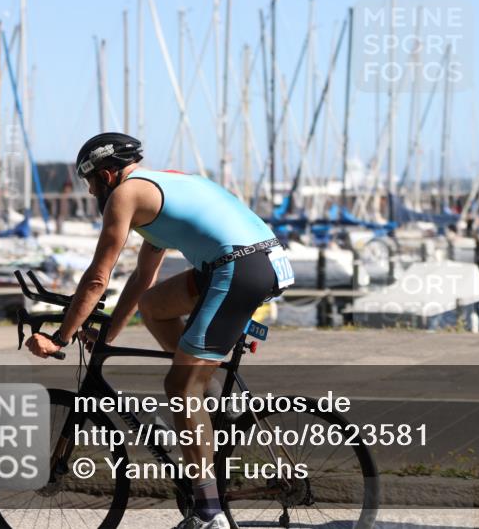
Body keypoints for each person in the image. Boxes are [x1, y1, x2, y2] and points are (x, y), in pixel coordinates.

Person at [26, 132, 292, 529]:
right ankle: (212, 398)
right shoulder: (158, 188)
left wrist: (61, 337)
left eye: (91, 182)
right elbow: (141, 281)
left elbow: (98, 278)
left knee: (179, 388)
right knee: (154, 307)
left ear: (108, 173)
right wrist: (107, 335)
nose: (90, 191)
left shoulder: (125, 196)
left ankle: (208, 513)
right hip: (248, 262)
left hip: (239, 267)